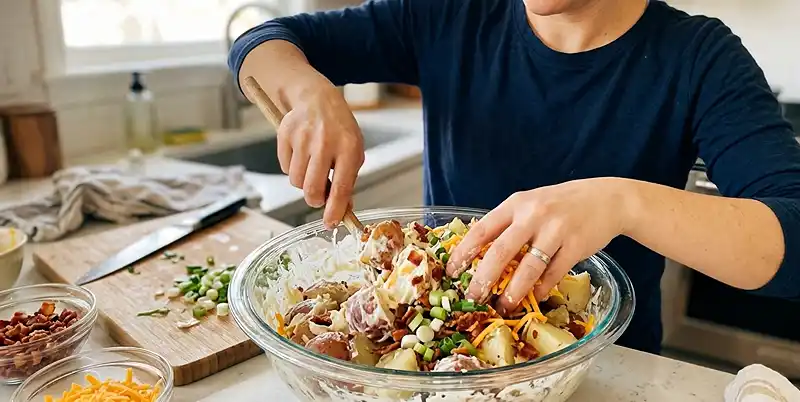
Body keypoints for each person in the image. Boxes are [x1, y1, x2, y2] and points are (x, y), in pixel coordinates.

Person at [228, 0, 800, 354]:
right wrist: (308, 91)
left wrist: (621, 202)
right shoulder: (450, 13)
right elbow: (261, 43)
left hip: (600, 369)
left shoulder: (701, 57)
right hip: (438, 373)